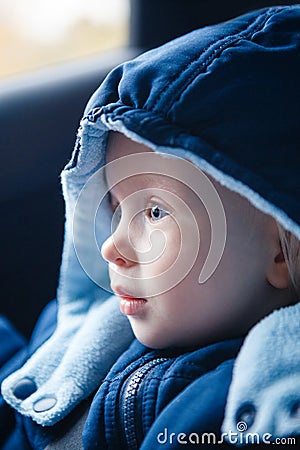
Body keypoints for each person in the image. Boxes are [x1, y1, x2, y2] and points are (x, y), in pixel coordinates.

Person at [0, 4, 299, 449]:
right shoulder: (84, 332)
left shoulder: (250, 409)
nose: (112, 247)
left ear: (281, 250)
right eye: (117, 208)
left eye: (156, 212)